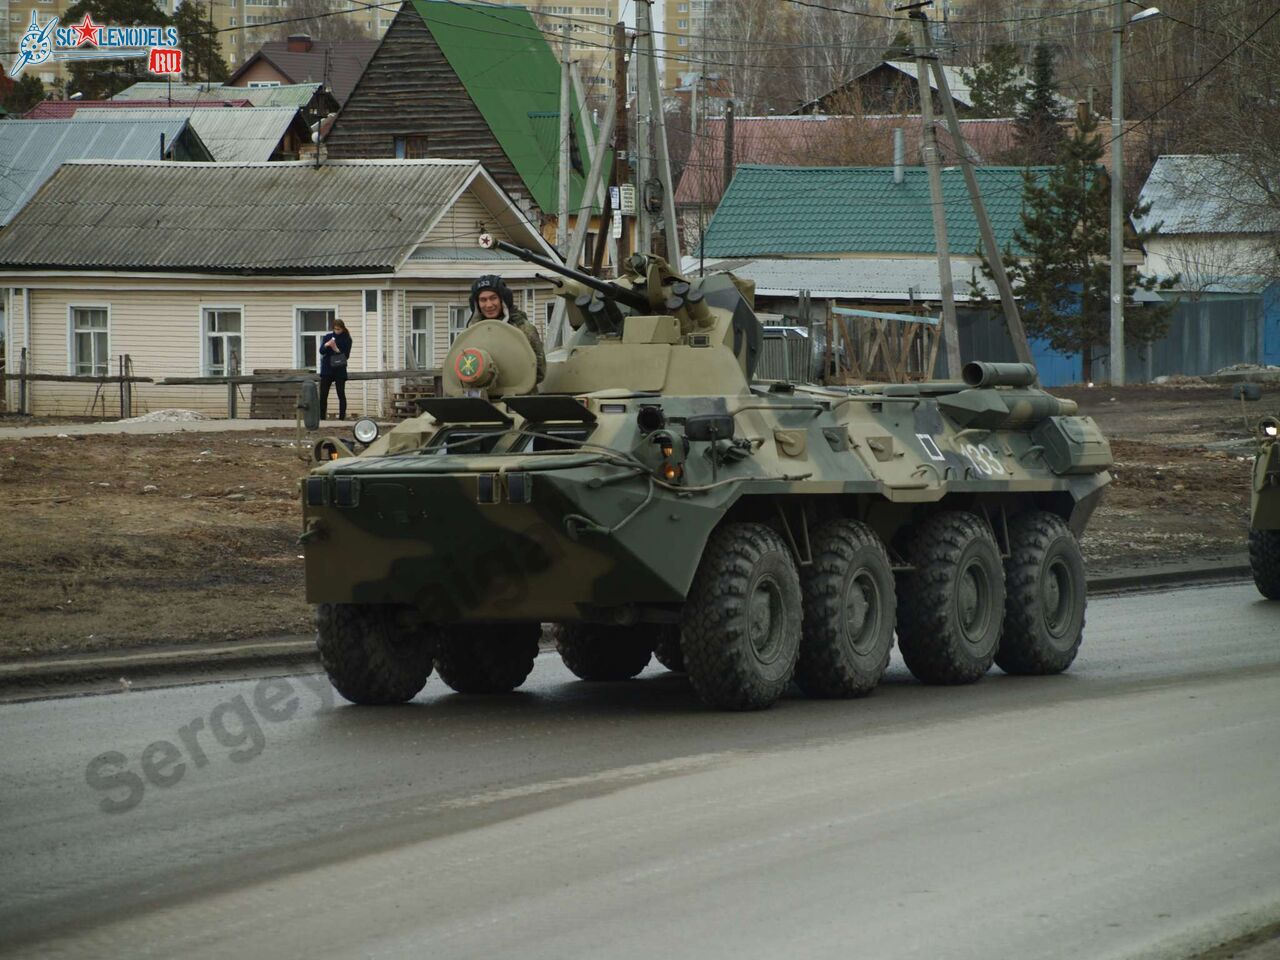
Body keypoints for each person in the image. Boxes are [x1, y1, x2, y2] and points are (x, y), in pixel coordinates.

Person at [467, 274, 545, 384]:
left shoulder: (523, 329)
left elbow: (540, 371)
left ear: (503, 300)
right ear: (476, 304)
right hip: (481, 393)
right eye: (483, 300)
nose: (488, 305)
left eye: (493, 298)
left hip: (517, 395)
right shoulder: (471, 333)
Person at [319, 318, 353, 420]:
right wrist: (326, 345)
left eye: (338, 329)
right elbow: (321, 351)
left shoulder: (347, 339)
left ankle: (342, 418)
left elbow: (346, 356)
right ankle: (322, 417)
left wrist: (336, 349)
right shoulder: (328, 337)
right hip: (327, 368)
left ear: (342, 328)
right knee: (323, 394)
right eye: (335, 329)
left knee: (340, 393)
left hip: (339, 368)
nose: (336, 331)